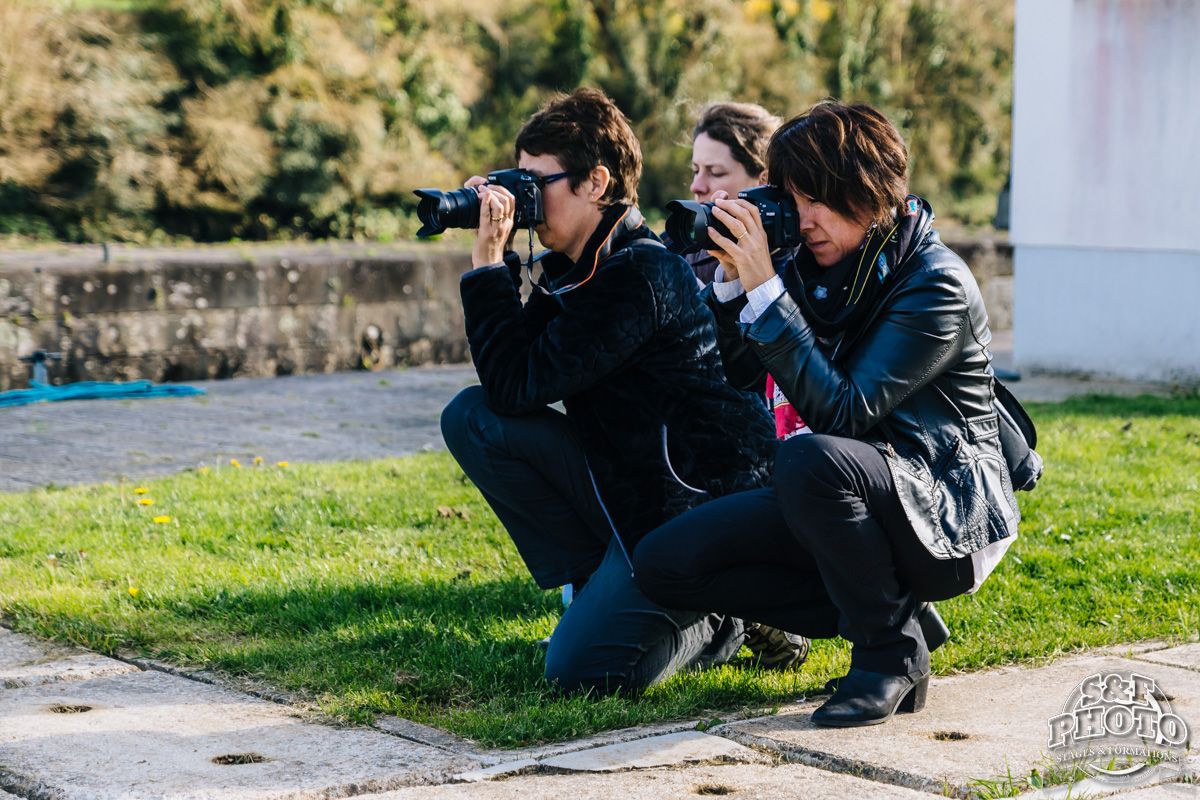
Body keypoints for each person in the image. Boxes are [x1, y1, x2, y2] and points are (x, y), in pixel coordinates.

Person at [633, 101, 1020, 726]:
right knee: (665, 563)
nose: (802, 217)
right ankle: (889, 608)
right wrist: (734, 284)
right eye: (792, 196)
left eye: (818, 199)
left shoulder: (933, 282)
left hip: (945, 508)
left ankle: (888, 657)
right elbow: (732, 375)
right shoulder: (810, 266)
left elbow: (845, 413)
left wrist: (767, 291)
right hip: (837, 494)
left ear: (872, 194)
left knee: (812, 456)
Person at [439, 88, 779, 695]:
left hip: (689, 513)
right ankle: (600, 582)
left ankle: (724, 620)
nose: (527, 199)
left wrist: (489, 265)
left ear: (595, 183)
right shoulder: (580, 268)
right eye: (519, 180)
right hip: (624, 492)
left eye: (537, 182)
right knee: (473, 417)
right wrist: (505, 259)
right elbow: (508, 384)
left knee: (582, 675)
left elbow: (520, 383)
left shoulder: (639, 273)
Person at [672, 102, 780, 284]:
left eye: (715, 172)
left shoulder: (799, 264)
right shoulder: (676, 246)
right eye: (695, 170)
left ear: (763, 182)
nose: (696, 186)